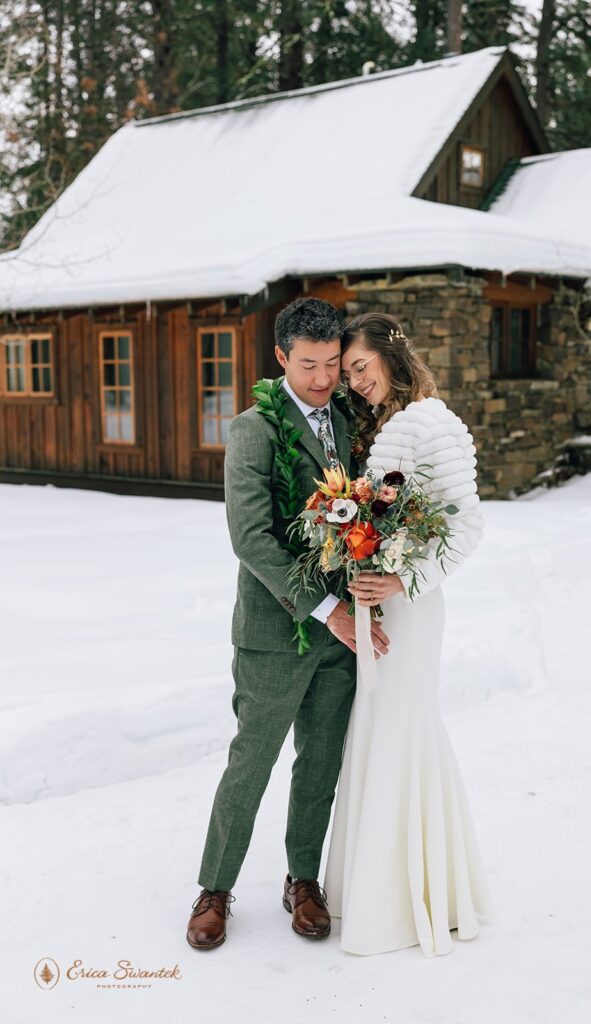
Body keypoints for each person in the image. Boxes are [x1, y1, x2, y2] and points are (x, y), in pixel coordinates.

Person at [186, 297, 390, 950]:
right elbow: (250, 538)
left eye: (332, 363)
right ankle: (214, 888)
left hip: (344, 631)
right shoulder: (254, 428)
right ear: (280, 358)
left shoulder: (349, 417)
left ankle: (303, 880)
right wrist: (326, 610)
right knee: (251, 765)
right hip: (279, 632)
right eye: (308, 365)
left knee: (320, 765)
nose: (324, 378)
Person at [324, 311, 495, 957]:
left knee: (402, 726)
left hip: (409, 605)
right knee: (377, 727)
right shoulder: (392, 425)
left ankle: (411, 896)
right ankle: (377, 883)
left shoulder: (431, 421)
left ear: (393, 358)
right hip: (378, 602)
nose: (354, 381)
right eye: (347, 375)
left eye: (360, 368)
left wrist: (402, 582)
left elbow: (466, 525)